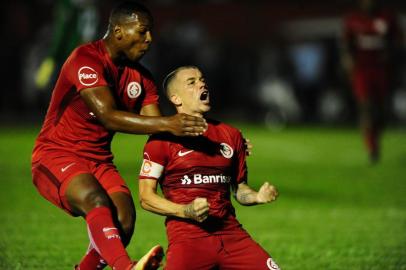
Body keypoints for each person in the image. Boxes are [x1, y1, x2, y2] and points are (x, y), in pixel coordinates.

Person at [31, 1, 208, 270]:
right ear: (119, 32)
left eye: (150, 32)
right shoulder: (85, 59)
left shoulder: (142, 78)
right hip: (56, 154)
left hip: (99, 161)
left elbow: (157, 128)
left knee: (124, 220)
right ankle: (126, 268)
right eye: (142, 31)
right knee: (96, 201)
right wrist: (170, 123)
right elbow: (108, 115)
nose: (149, 39)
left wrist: (204, 145)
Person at [138, 66, 281, 270]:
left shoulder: (231, 135)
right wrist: (185, 211)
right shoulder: (160, 141)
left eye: (202, 80)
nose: (202, 84)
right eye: (192, 82)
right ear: (176, 98)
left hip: (232, 237)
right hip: (188, 239)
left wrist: (257, 196)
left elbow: (240, 190)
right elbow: (146, 198)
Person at [342, 0, 403, 163]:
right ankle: (371, 147)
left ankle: (376, 136)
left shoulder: (387, 17)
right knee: (367, 106)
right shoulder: (353, 19)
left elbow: (398, 40)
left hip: (382, 70)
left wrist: (392, 55)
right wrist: (348, 60)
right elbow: (346, 43)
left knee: (381, 111)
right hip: (362, 70)